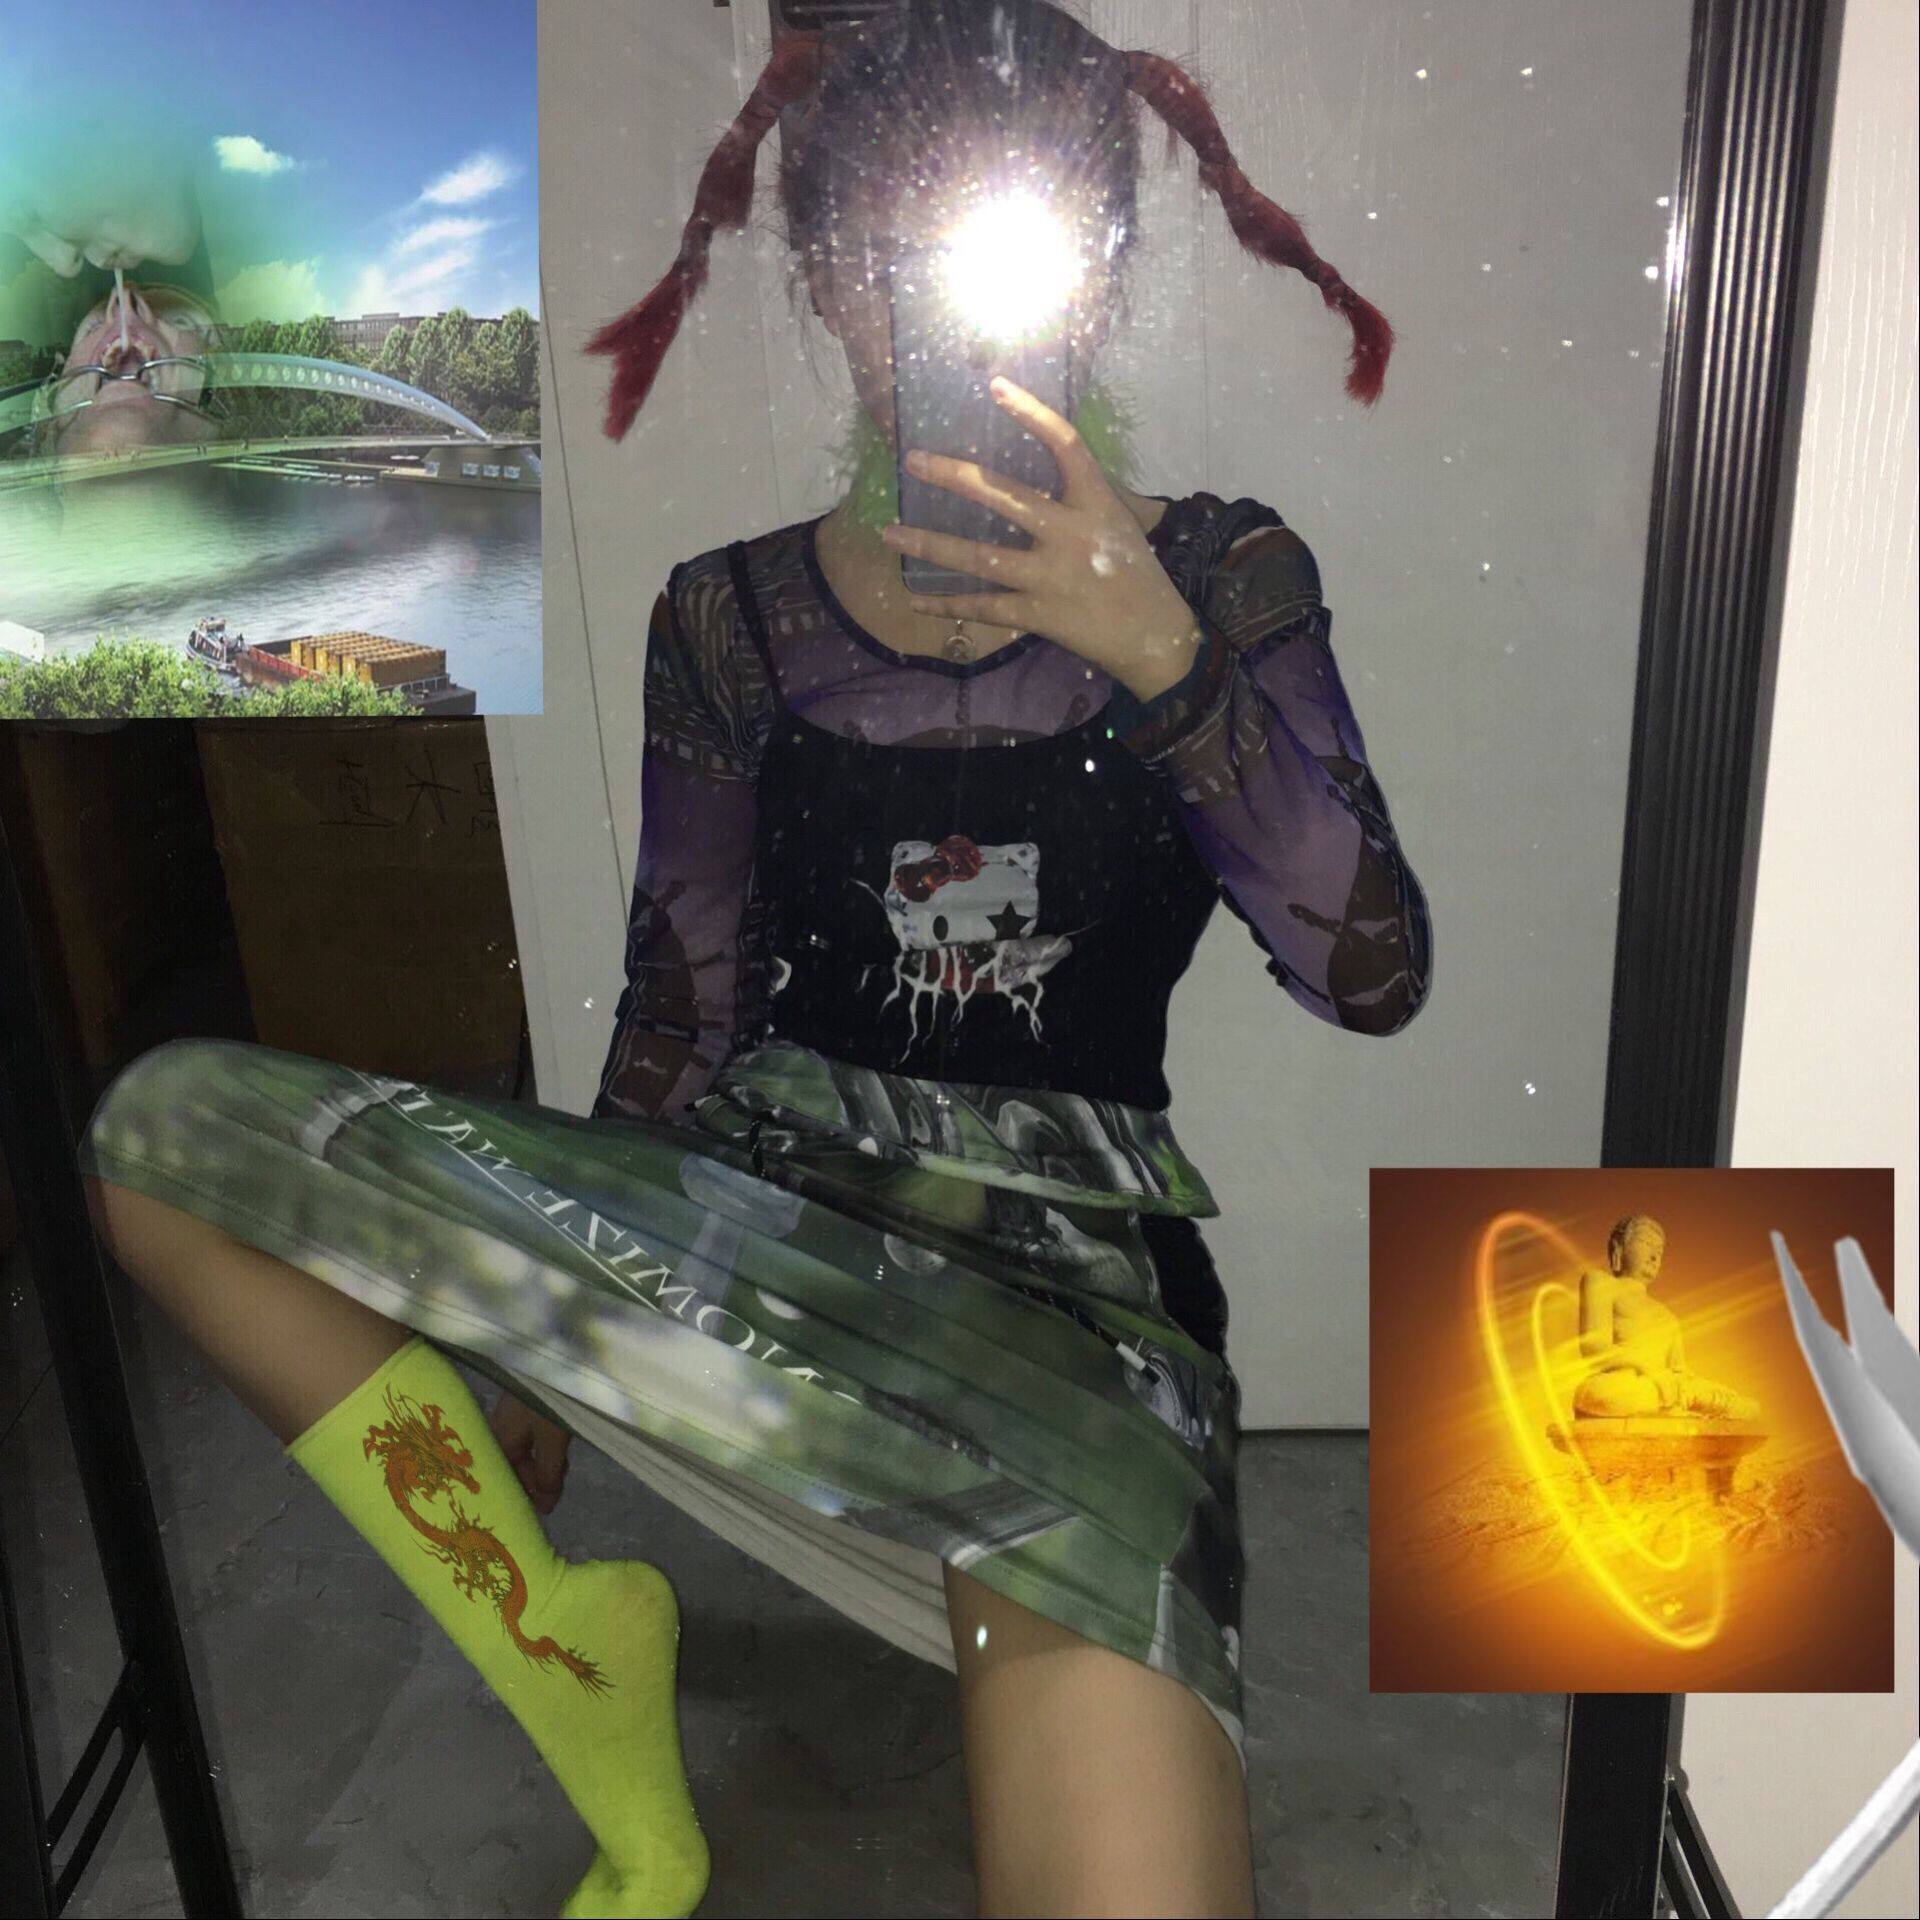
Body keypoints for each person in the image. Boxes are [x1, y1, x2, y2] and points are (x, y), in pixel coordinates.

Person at [78, 5, 1429, 1914]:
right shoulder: (728, 615)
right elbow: (684, 1004)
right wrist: (536, 1315)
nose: (926, 317)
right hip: (750, 1251)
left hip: (1068, 1324)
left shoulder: (1223, 573)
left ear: (1102, 266)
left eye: (991, 246)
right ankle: (567, 1653)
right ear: (818, 282)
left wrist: (1158, 653)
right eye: (881, 259)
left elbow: (1372, 974)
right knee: (162, 1142)